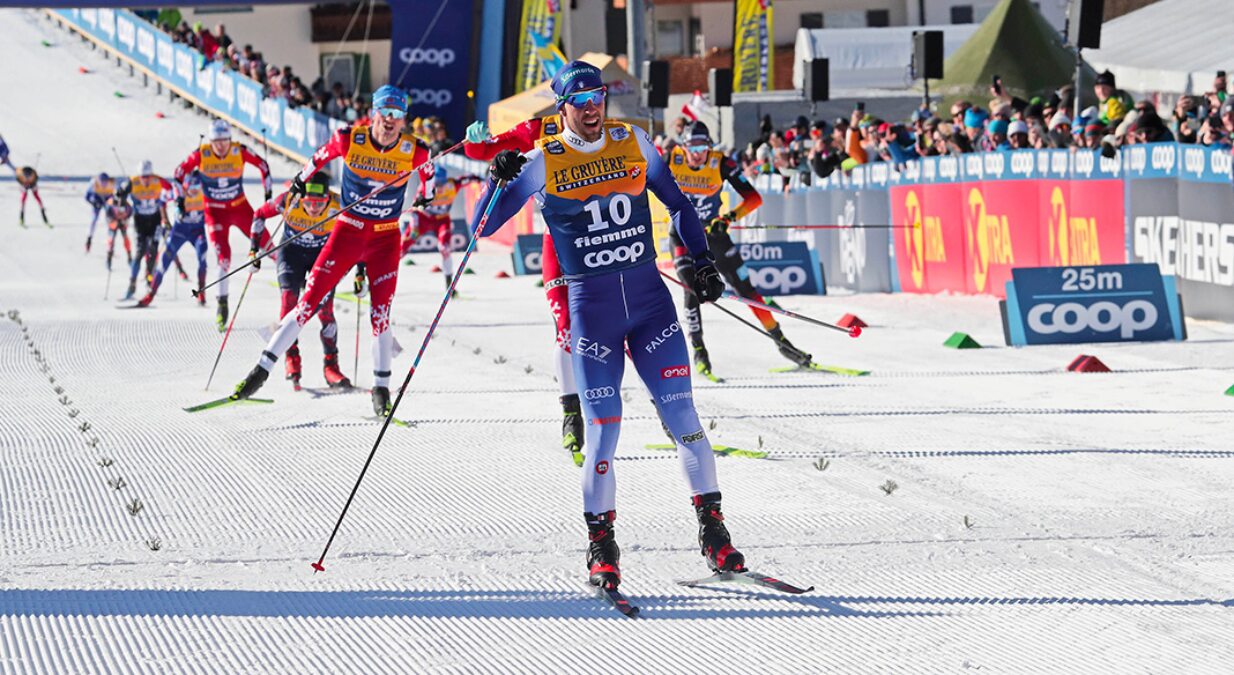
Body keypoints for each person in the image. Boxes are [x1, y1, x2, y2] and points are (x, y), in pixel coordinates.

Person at [472, 60, 747, 590]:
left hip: (650, 306)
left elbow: (679, 203)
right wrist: (494, 178)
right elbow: (482, 227)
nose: (593, 107)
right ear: (562, 107)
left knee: (685, 418)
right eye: (581, 100)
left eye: (598, 96)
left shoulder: (635, 140)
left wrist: (703, 260)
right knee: (603, 435)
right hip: (594, 316)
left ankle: (715, 533)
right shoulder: (540, 160)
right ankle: (602, 547)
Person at [231, 85, 433, 415]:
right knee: (306, 303)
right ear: (374, 113)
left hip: (385, 239)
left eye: (398, 116)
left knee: (380, 315)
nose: (391, 121)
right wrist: (299, 181)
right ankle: (260, 371)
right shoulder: (348, 139)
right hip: (348, 233)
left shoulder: (416, 150)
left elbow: (429, 177)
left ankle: (381, 388)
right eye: (386, 113)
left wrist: (426, 196)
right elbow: (316, 160)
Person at [463, 112, 584, 463]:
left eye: (592, 97)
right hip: (556, 243)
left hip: (599, 243)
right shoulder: (538, 129)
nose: (585, 108)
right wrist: (475, 142)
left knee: (623, 329)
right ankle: (571, 413)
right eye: (574, 100)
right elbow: (488, 151)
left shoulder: (601, 132)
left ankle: (664, 407)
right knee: (565, 331)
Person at [666, 121, 812, 378]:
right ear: (683, 146)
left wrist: (729, 218)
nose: (697, 153)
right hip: (682, 236)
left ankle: (783, 343)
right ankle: (699, 351)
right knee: (691, 287)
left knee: (747, 290)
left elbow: (754, 198)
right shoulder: (670, 159)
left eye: (702, 146)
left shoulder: (721, 163)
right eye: (692, 147)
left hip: (713, 234)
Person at [247, 171, 351, 390]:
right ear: (301, 198)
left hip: (322, 256)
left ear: (328, 197)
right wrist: (253, 251)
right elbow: (258, 215)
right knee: (289, 302)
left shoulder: (339, 203)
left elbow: (360, 232)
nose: (314, 208)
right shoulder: (288, 200)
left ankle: (331, 366)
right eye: (309, 203)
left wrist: (360, 270)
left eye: (319, 203)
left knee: (325, 311)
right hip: (291, 253)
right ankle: (291, 359)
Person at [175, 119, 272, 330]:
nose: (220, 146)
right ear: (210, 141)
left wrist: (268, 195)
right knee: (223, 261)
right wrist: (179, 198)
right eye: (216, 141)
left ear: (230, 139)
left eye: (224, 141)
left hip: (240, 209)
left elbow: (263, 166)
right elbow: (179, 173)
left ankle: (301, 280)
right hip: (215, 213)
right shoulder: (202, 153)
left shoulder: (239, 150)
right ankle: (222, 305)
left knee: (271, 247)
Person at [401, 166, 482, 290]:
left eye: (441, 184)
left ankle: (449, 286)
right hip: (423, 220)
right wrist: (414, 227)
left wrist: (480, 177)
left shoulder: (452, 185)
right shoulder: (424, 189)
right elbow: (415, 210)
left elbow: (469, 178)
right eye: (436, 184)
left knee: (444, 248)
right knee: (402, 248)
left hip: (441, 220)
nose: (439, 188)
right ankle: (381, 278)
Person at [138, 171, 210, 307]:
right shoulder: (177, 193)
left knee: (202, 259)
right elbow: (161, 201)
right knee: (164, 262)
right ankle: (150, 294)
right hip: (179, 232)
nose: (193, 192)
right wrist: (165, 219)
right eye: (190, 189)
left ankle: (201, 293)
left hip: (197, 232)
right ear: (184, 187)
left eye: (196, 189)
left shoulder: (206, 192)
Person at [122, 160, 174, 300]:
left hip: (155, 220)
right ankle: (132, 283)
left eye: (147, 176)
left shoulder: (158, 181)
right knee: (139, 252)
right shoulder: (133, 182)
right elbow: (121, 192)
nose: (145, 180)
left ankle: (149, 279)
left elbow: (172, 190)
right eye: (142, 177)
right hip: (140, 221)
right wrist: (120, 196)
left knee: (152, 251)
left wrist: (172, 200)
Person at [104, 180, 135, 272]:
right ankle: (109, 259)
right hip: (113, 223)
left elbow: (130, 213)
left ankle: (129, 258)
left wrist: (124, 220)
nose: (120, 201)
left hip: (122, 223)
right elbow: (107, 215)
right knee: (111, 240)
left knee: (126, 238)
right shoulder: (110, 203)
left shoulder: (127, 204)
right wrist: (113, 221)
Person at [84, 173, 116, 252]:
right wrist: (93, 202)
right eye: (102, 182)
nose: (104, 184)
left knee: (110, 219)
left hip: (107, 199)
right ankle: (89, 238)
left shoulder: (112, 183)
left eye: (105, 182)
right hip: (97, 198)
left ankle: (110, 239)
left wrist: (112, 203)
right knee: (94, 219)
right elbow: (86, 196)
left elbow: (116, 195)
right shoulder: (94, 183)